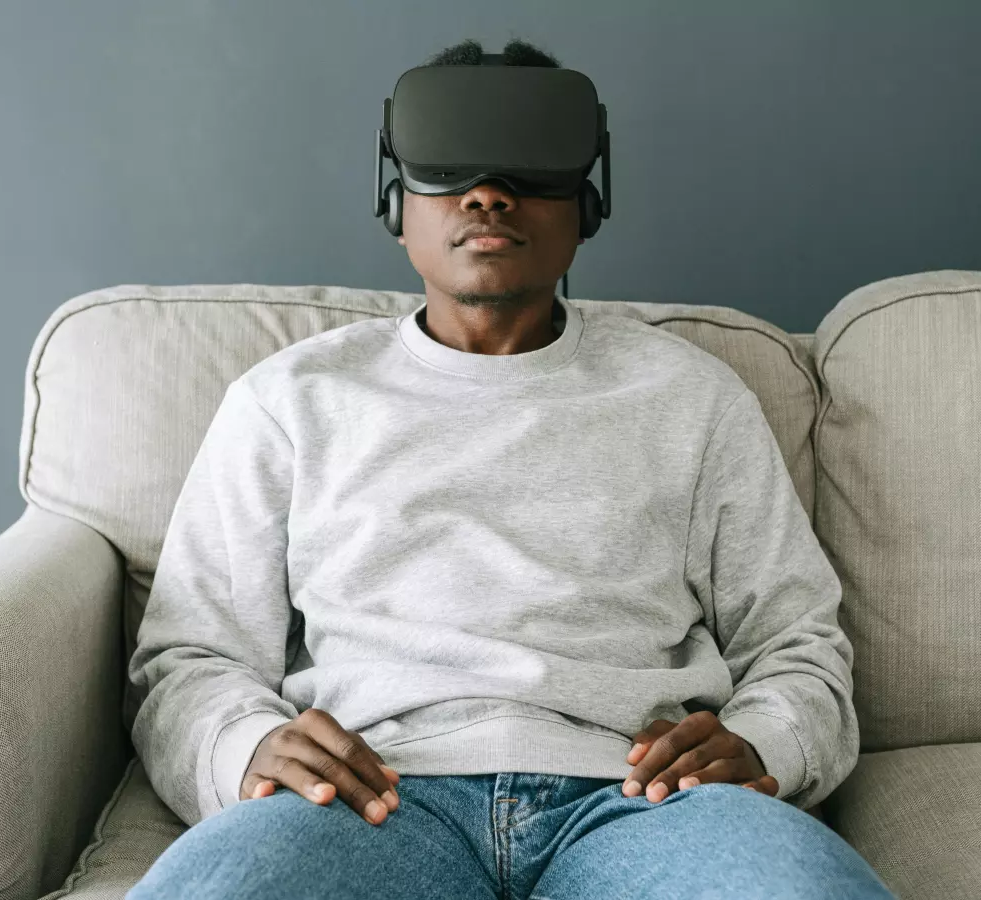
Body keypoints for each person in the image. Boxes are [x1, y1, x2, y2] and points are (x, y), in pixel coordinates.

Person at [124, 37, 895, 900]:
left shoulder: (692, 398)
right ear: (395, 200)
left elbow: (798, 641)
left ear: (588, 202)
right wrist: (242, 743)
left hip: (642, 798)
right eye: (451, 171)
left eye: (530, 172)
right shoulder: (288, 400)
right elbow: (190, 654)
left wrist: (766, 741)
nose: (489, 195)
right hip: (370, 794)